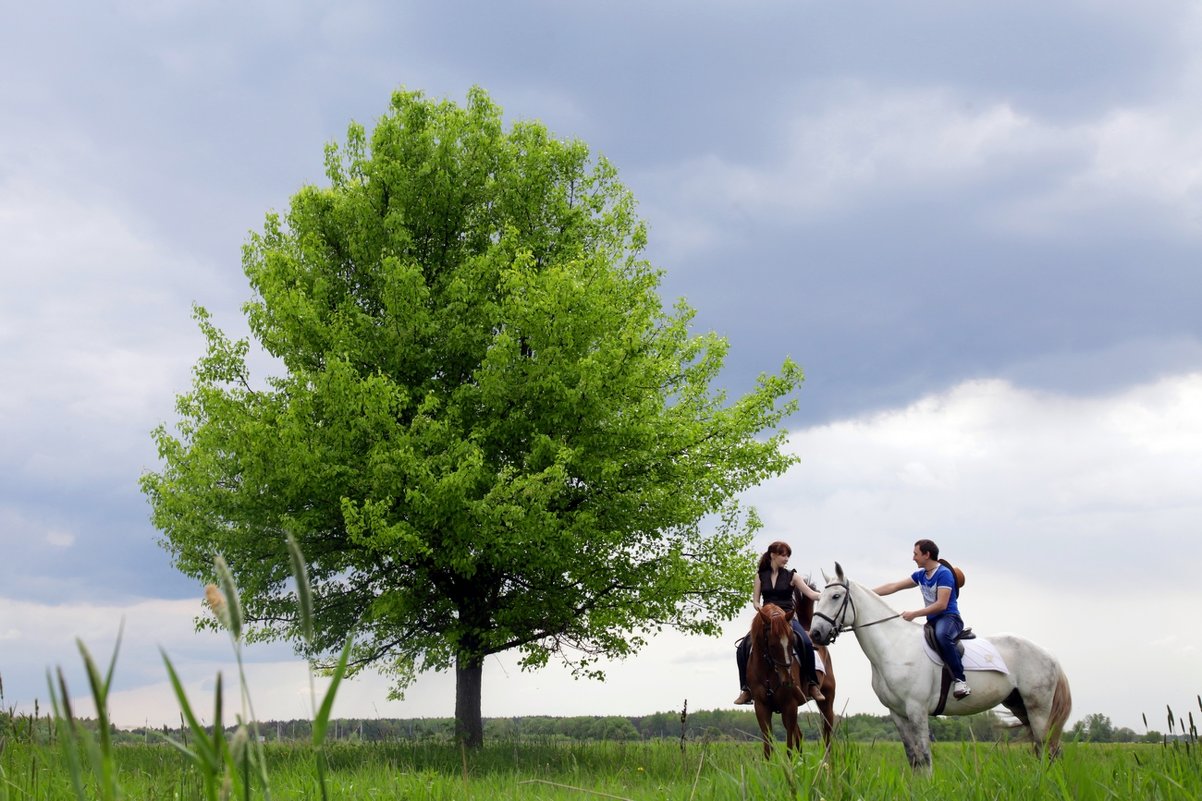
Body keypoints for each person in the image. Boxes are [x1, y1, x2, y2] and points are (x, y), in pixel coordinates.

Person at [874, 538, 971, 699]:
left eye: (916, 554)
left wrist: (914, 614)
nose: (913, 558)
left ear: (927, 555)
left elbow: (941, 605)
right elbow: (894, 586)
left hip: (949, 618)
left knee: (942, 636)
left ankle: (961, 680)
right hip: (933, 620)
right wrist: (866, 592)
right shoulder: (920, 575)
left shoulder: (944, 574)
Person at [733, 540, 825, 705]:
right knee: (742, 647)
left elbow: (811, 594)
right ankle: (746, 689)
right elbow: (755, 601)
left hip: (787, 618)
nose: (786, 558)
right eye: (783, 555)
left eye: (788, 555)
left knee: (804, 641)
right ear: (772, 555)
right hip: (766, 620)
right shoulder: (760, 576)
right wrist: (761, 609)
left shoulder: (792, 576)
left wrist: (826, 596)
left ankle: (812, 684)